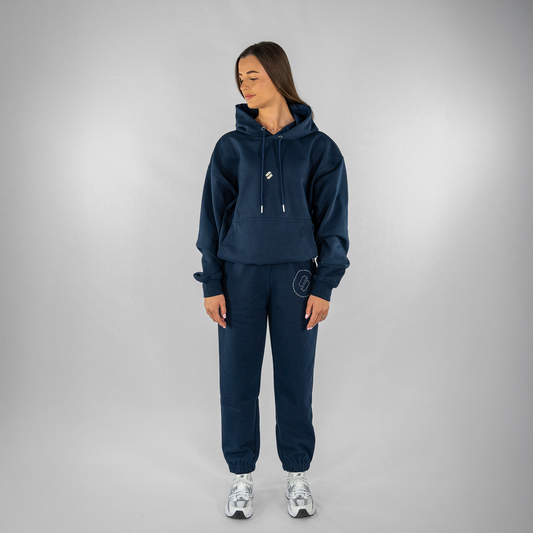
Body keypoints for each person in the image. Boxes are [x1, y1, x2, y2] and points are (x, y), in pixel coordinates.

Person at [193, 41, 349, 519]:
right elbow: (211, 217)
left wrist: (324, 285)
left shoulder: (319, 149)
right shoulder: (230, 147)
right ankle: (241, 476)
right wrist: (212, 282)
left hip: (297, 279)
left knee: (294, 380)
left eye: (253, 76)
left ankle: (297, 475)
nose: (244, 85)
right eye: (240, 78)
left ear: (278, 76)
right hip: (238, 276)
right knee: (237, 380)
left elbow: (333, 222)